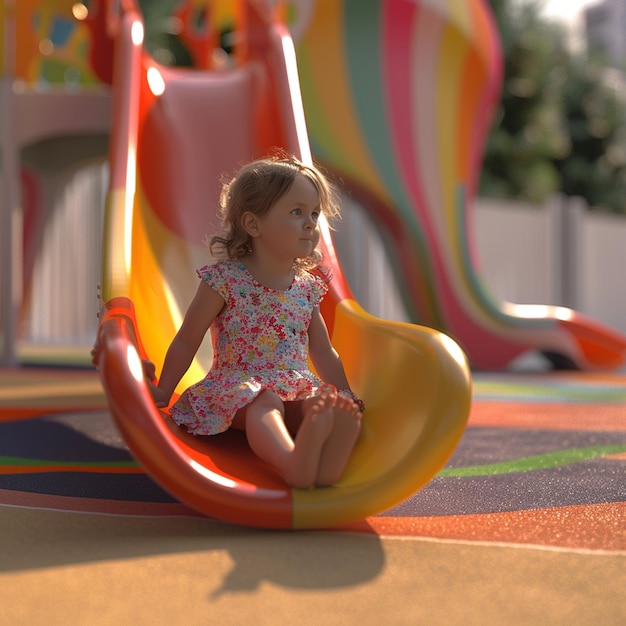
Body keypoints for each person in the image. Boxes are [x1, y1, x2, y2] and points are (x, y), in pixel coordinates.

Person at [146, 155, 364, 490]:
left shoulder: (306, 288)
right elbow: (188, 338)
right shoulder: (226, 280)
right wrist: (164, 388)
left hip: (294, 385)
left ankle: (326, 461)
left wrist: (345, 392)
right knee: (265, 401)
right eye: (297, 212)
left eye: (314, 214)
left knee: (319, 405)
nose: (310, 223)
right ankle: (289, 460)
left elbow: (323, 351)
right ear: (253, 224)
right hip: (237, 389)